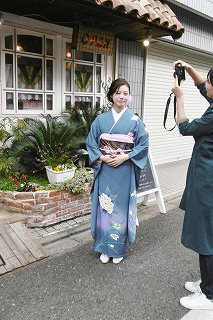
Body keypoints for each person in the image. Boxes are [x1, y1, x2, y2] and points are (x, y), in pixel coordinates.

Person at [171, 60, 213, 310]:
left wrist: (179, 96)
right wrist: (188, 69)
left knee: (205, 238)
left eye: (209, 81)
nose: (205, 84)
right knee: (211, 235)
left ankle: (208, 295)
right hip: (212, 177)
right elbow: (203, 88)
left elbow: (185, 127)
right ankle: (210, 282)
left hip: (206, 182)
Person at [86, 78, 149, 264]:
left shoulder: (135, 121)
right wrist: (102, 157)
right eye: (118, 93)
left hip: (124, 168)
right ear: (111, 95)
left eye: (125, 93)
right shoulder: (100, 120)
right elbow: (91, 143)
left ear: (129, 96)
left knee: (120, 209)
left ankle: (118, 249)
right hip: (105, 168)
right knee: (105, 207)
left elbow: (143, 144)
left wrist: (125, 157)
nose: (122, 96)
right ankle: (104, 246)